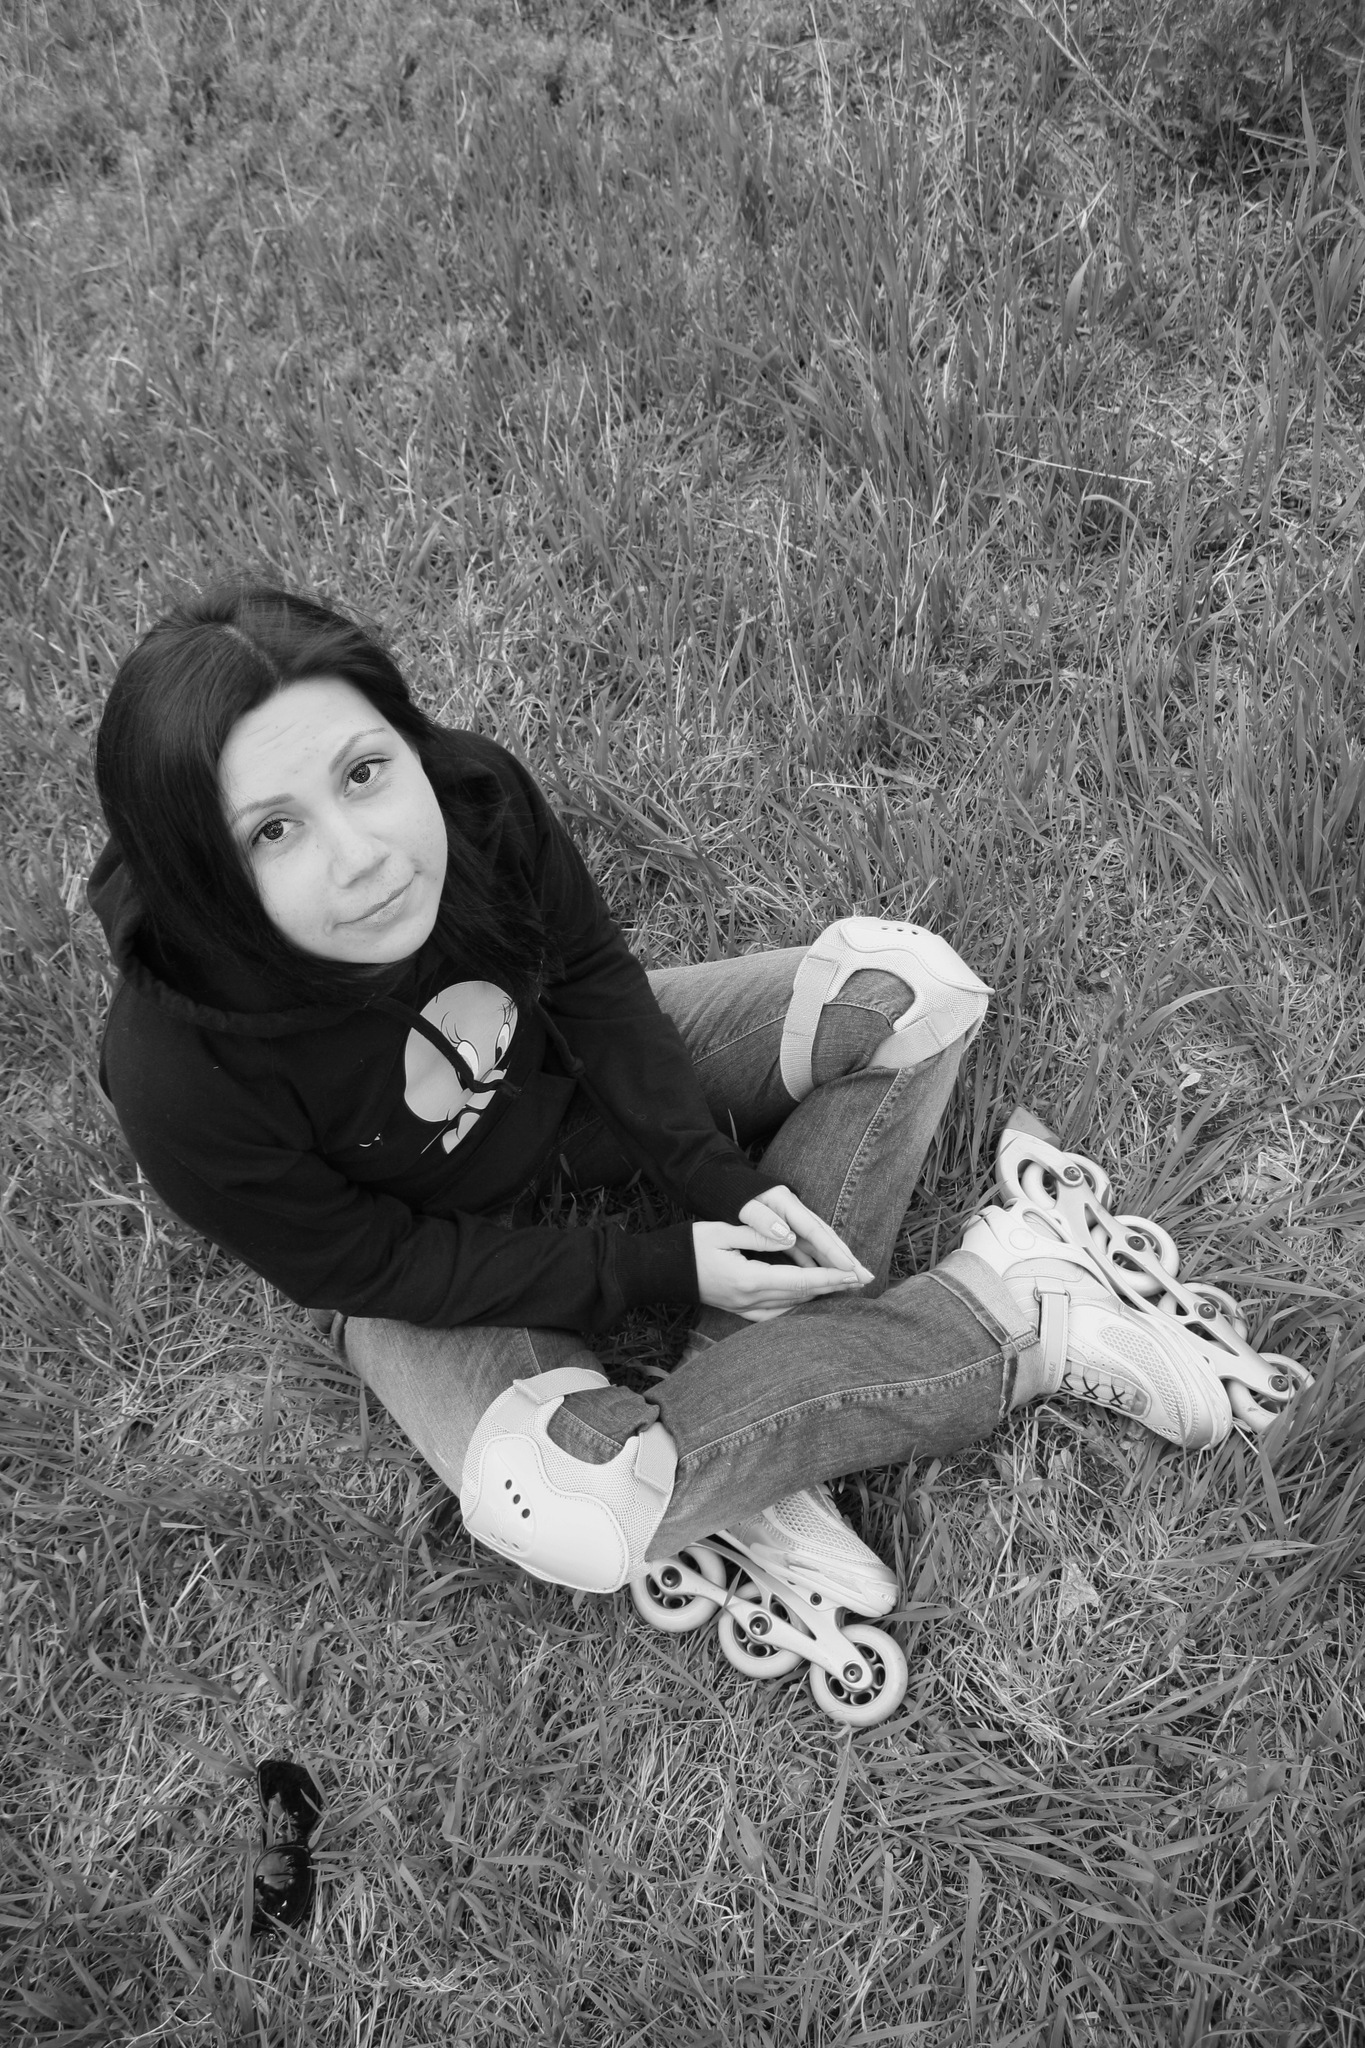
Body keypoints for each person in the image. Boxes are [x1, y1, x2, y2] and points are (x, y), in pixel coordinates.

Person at [89, 585, 1238, 1717]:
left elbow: (590, 981)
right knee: (566, 1510)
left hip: (563, 1089)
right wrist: (661, 1262)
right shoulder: (177, 1070)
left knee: (908, 989)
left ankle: (749, 1449)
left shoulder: (473, 795)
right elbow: (366, 1265)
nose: (363, 854)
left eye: (364, 771)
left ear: (404, 735)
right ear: (201, 869)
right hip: (422, 1250)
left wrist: (717, 1181)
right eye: (273, 830)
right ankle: (1020, 1310)